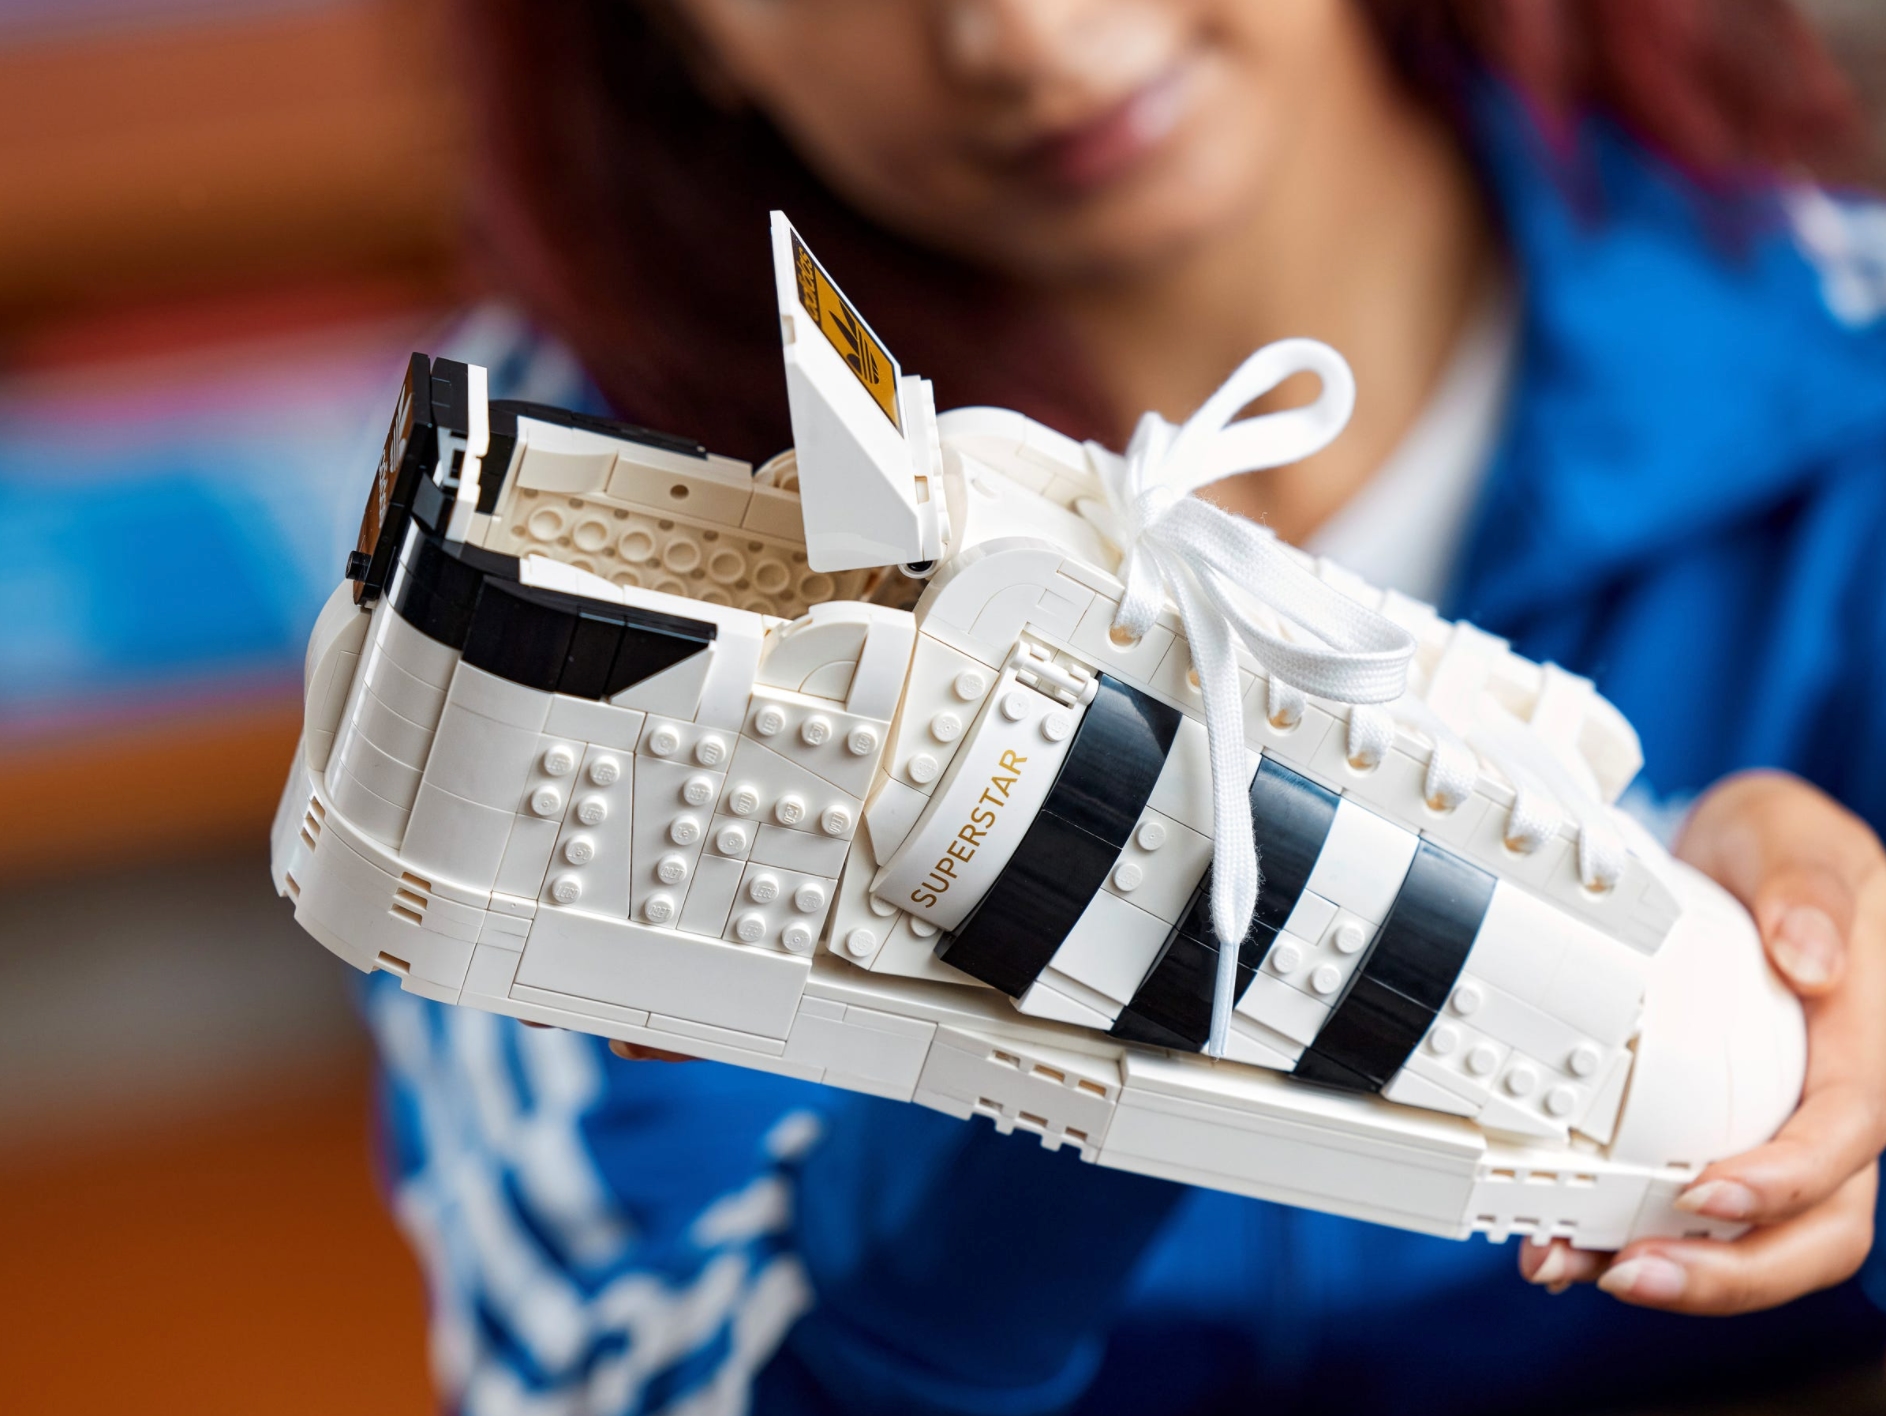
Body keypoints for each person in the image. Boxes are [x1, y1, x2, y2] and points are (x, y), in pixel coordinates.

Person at [362, 1, 1886, 1410]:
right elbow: (592, 1373)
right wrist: (1025, 1111)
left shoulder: (1847, 351)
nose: (1023, 38)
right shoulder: (542, 509)